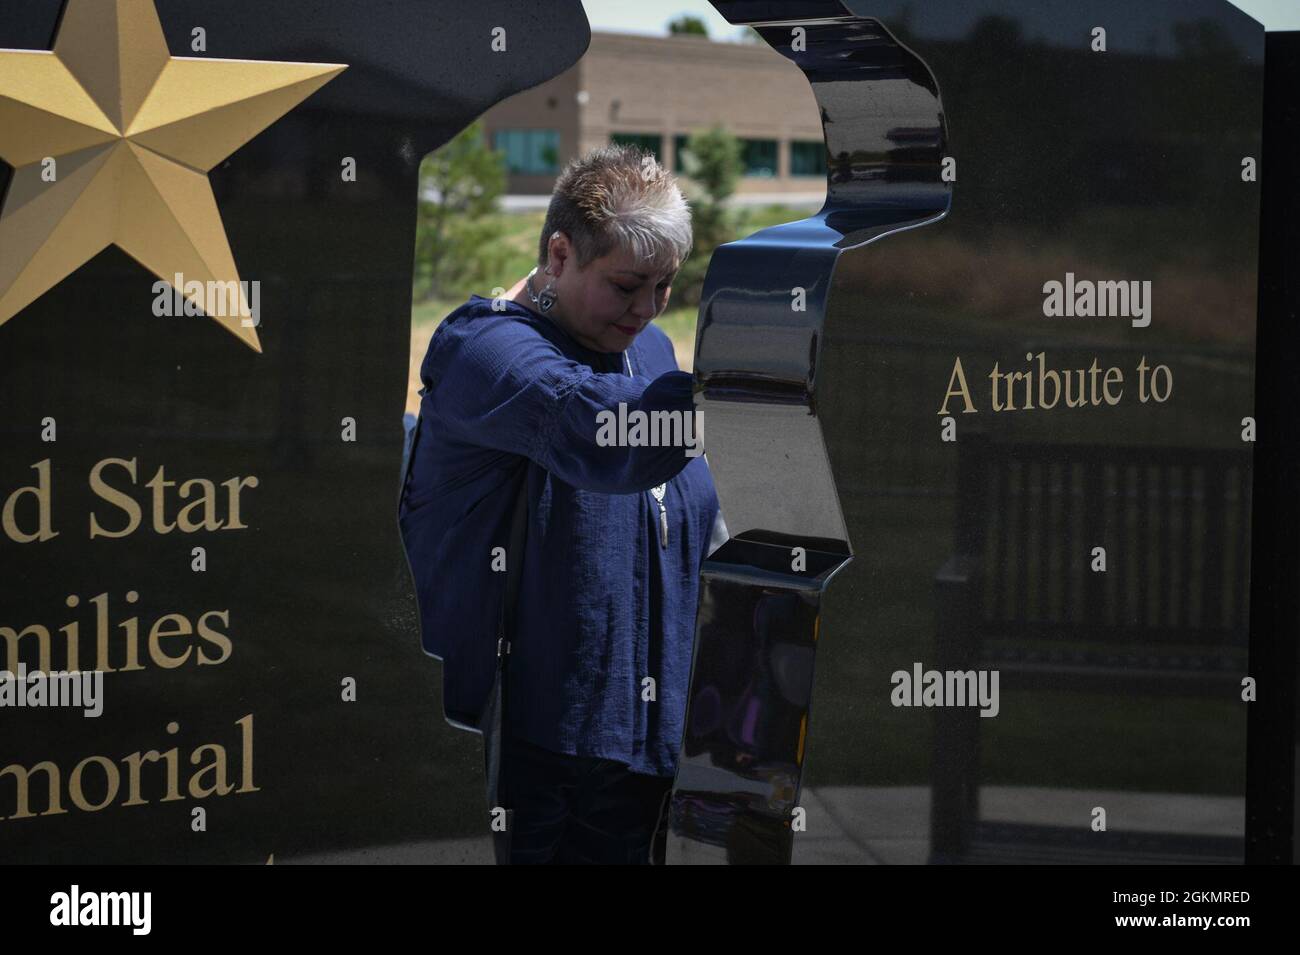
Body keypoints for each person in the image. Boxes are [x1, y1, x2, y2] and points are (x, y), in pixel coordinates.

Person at [399, 143, 726, 864]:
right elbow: (600, 426)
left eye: (665, 286)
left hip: (641, 742)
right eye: (626, 285)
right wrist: (747, 391)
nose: (645, 310)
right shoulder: (484, 352)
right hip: (531, 750)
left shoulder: (650, 352)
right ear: (558, 254)